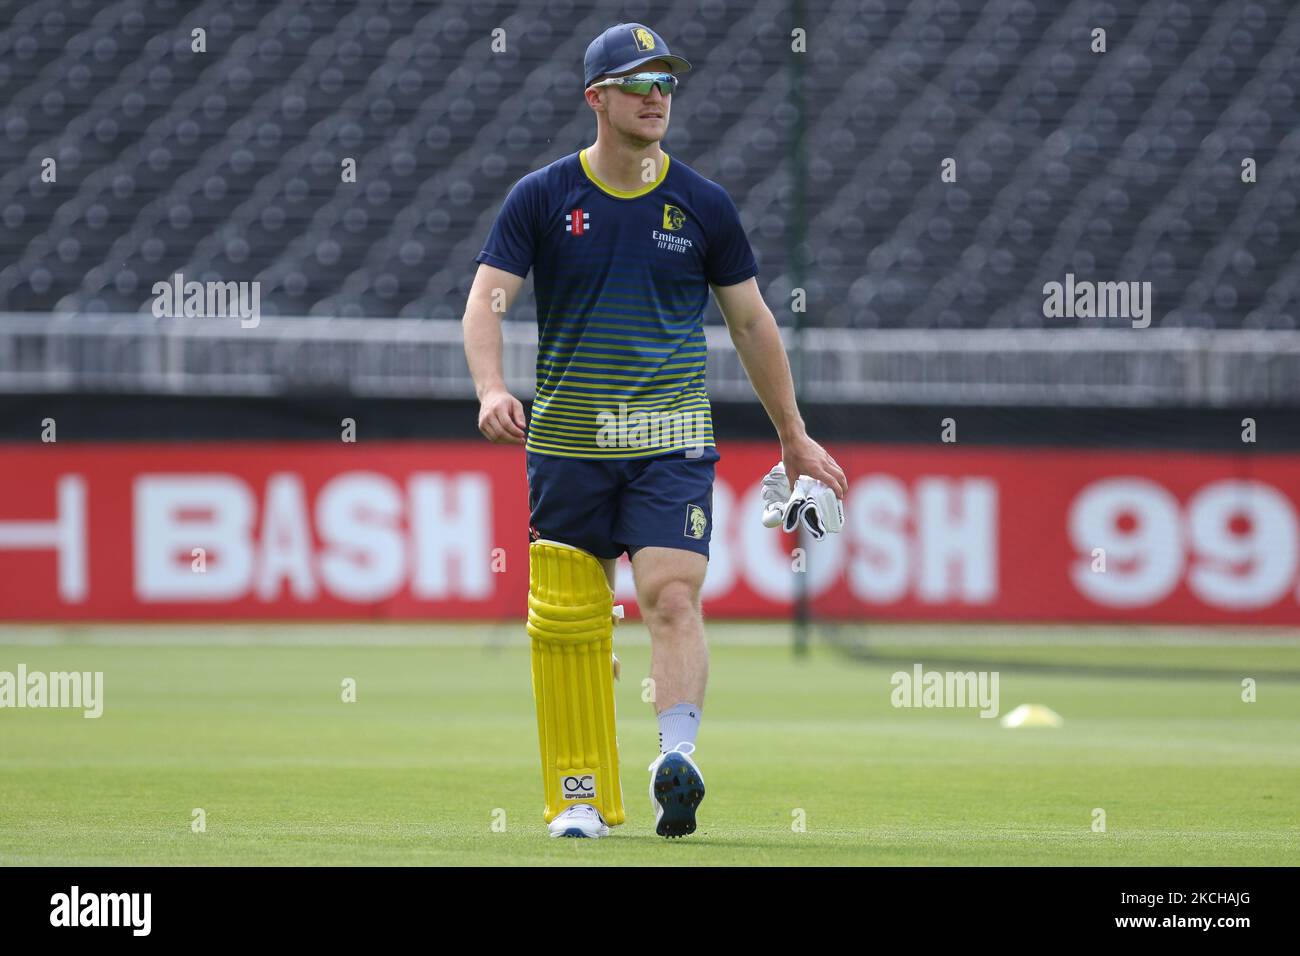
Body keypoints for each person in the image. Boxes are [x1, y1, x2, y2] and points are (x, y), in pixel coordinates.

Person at [462, 22, 846, 839]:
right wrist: (490, 387)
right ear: (596, 98)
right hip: (567, 444)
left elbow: (751, 323)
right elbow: (485, 301)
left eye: (665, 82)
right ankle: (579, 798)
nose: (655, 96)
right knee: (572, 624)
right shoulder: (542, 196)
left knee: (672, 595)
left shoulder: (702, 204)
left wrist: (794, 436)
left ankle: (679, 757)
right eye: (637, 83)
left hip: (671, 441)